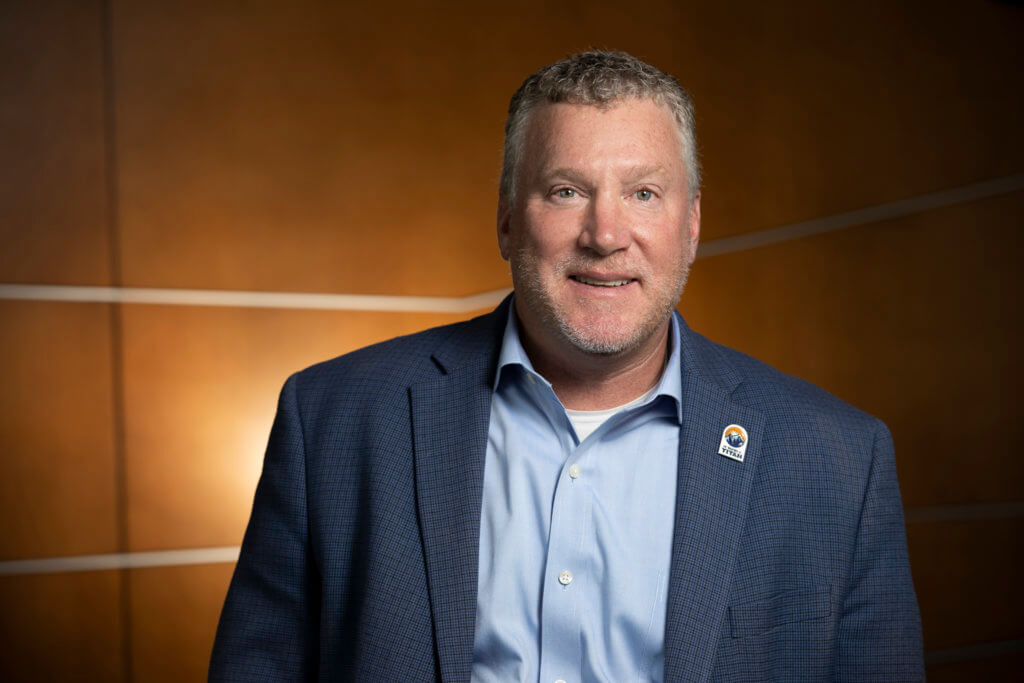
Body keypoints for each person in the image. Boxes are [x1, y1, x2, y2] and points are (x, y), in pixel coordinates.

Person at [210, 50, 924, 681]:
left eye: (643, 192)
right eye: (566, 191)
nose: (606, 234)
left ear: (693, 222)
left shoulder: (837, 459)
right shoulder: (332, 421)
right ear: (506, 219)